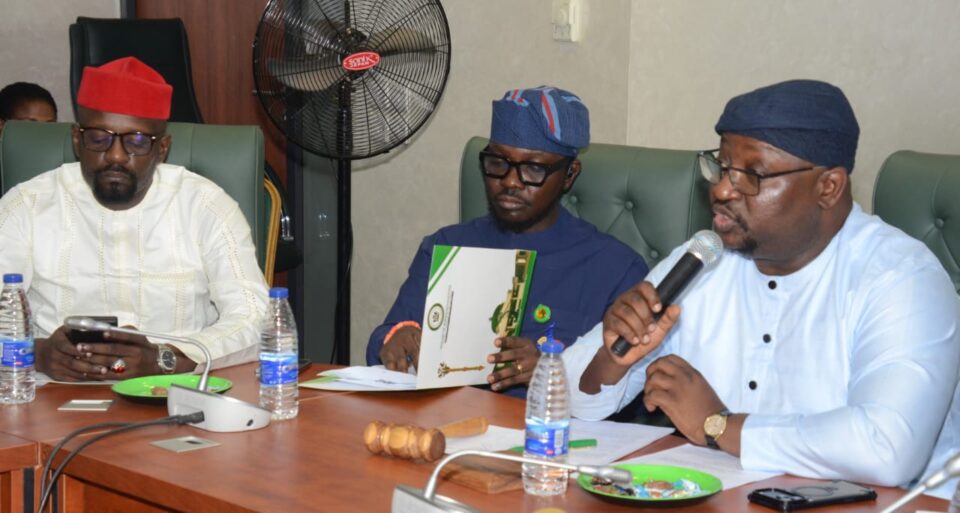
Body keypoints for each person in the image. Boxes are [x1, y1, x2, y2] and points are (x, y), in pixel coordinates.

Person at [563, 79, 960, 488]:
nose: (721, 189)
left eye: (752, 174)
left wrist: (718, 425)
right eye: (722, 167)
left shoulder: (901, 278)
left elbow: (885, 449)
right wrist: (613, 360)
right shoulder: (703, 260)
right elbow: (563, 394)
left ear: (828, 187)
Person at [367, 86, 649, 397]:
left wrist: (553, 373)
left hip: (545, 424)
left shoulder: (616, 269)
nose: (510, 181)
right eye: (498, 163)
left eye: (533, 169)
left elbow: (629, 392)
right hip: (444, 418)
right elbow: (388, 336)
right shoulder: (446, 246)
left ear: (569, 175)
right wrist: (395, 338)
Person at [0, 57, 268, 381]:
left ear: (162, 149)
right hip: (50, 395)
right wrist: (36, 353)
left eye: (137, 141)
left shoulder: (206, 206)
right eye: (99, 138)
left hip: (177, 392)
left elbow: (256, 318)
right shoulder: (26, 206)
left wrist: (166, 358)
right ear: (77, 140)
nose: (115, 155)